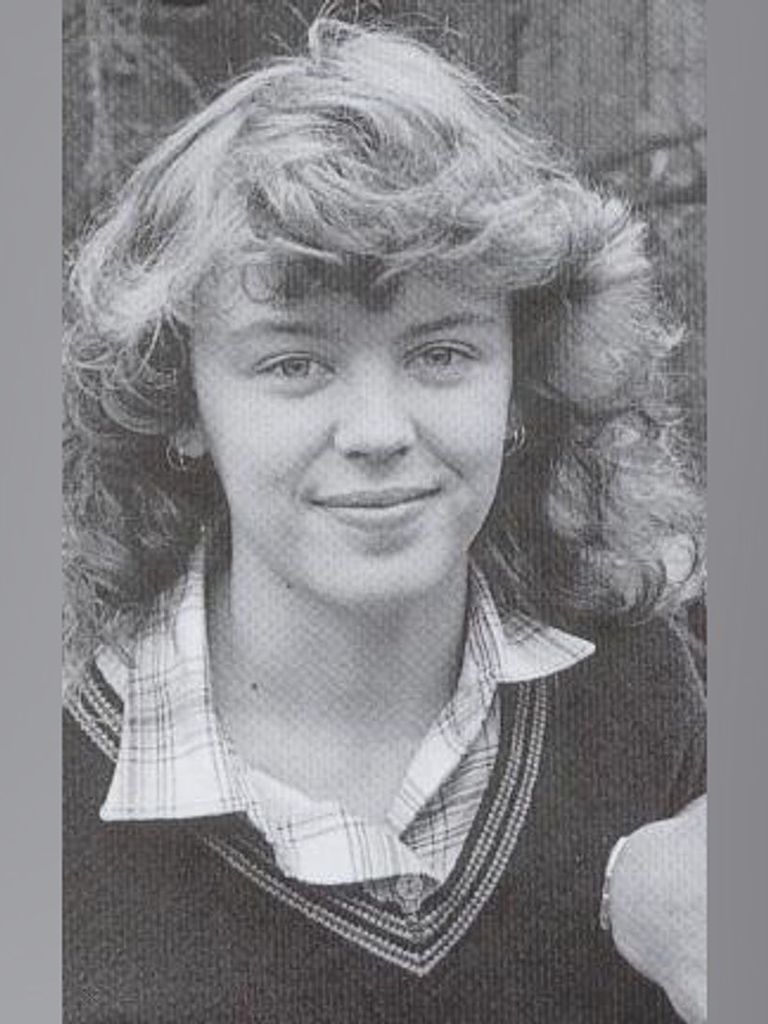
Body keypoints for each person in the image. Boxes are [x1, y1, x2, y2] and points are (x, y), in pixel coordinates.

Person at [62, 18, 706, 1024]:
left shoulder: (644, 692)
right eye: (294, 362)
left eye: (441, 353)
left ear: (522, 382)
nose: (377, 432)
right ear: (182, 403)